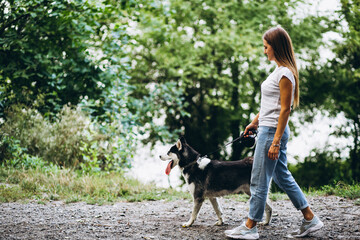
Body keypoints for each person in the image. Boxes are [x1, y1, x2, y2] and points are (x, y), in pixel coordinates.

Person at [225, 26, 324, 239]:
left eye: (266, 47)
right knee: (282, 176)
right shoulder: (278, 71)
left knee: (259, 180)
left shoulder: (286, 74)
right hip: (268, 128)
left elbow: (285, 110)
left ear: (276, 47)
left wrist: (275, 141)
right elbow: (271, 105)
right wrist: (253, 123)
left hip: (272, 132)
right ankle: (310, 218)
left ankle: (251, 226)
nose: (264, 51)